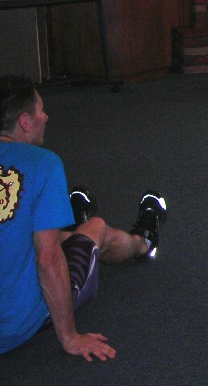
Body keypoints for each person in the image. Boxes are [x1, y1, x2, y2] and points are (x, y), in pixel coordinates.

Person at [0, 75, 167, 359]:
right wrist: (69, 337)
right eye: (41, 110)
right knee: (96, 228)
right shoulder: (44, 163)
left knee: (35, 231)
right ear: (25, 122)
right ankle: (144, 242)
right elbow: (46, 258)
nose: (46, 116)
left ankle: (69, 222)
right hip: (16, 325)